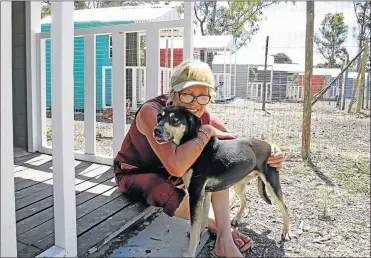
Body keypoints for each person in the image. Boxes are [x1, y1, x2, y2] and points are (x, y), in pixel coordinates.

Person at [113, 59, 285, 257]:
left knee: (217, 160)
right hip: (135, 172)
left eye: (203, 96)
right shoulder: (152, 112)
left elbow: (235, 143)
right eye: (187, 95)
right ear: (173, 93)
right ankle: (216, 225)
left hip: (173, 176)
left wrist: (272, 149)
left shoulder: (199, 115)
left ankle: (224, 239)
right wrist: (206, 132)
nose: (195, 103)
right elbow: (176, 166)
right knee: (159, 186)